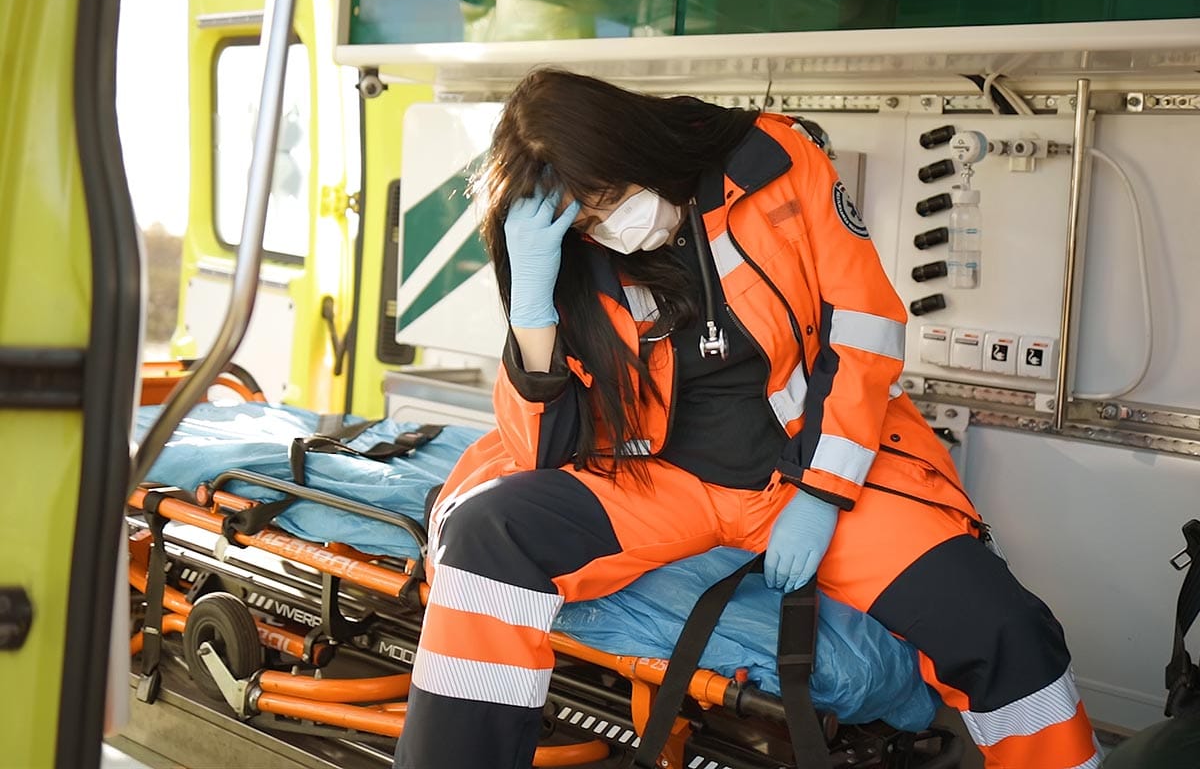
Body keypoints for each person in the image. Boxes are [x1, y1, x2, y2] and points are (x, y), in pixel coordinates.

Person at [393, 68, 1101, 769]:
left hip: (812, 469)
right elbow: (540, 448)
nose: (607, 227)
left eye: (606, 199)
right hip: (659, 482)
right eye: (583, 218)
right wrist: (532, 311)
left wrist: (822, 494)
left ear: (631, 145)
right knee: (489, 535)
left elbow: (863, 336)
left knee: (1002, 625)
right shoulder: (575, 257)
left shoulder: (774, 161)